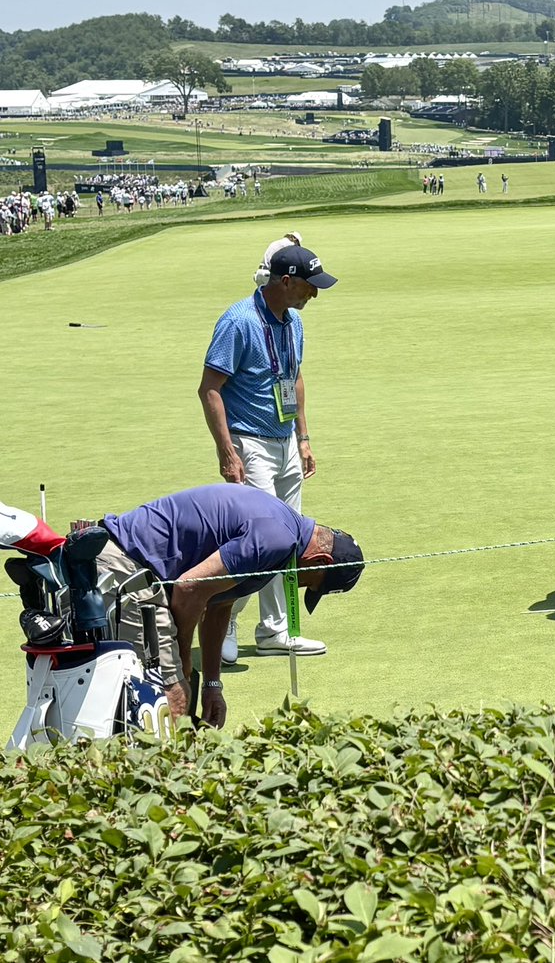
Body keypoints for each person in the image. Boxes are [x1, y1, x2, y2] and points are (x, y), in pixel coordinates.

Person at [96, 484, 364, 726]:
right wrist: (184, 660)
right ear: (320, 561)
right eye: (311, 584)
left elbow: (219, 605)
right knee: (172, 700)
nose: (300, 587)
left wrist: (212, 685)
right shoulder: (276, 540)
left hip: (142, 570)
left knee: (174, 694)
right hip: (128, 568)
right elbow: (189, 588)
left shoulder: (285, 538)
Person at [199, 238, 339, 662]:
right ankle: (222, 615)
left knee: (290, 538)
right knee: (260, 540)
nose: (314, 292)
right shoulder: (238, 321)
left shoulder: (293, 322)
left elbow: (294, 378)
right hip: (250, 443)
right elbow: (209, 388)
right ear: (285, 280)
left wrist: (304, 437)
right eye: (309, 285)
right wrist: (228, 451)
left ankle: (275, 631)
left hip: (286, 444)